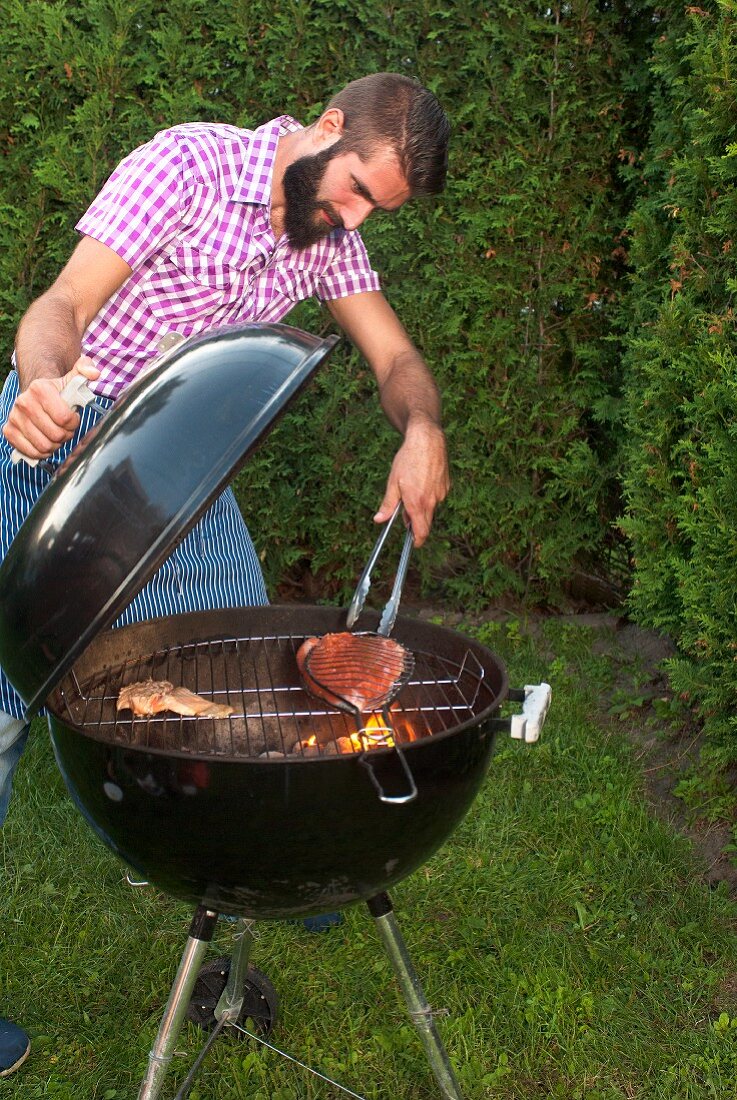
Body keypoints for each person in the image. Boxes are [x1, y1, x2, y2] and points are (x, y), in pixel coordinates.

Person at [0, 72, 451, 1070]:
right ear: (326, 128)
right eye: (352, 192)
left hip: (190, 474)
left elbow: (394, 356)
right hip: (67, 447)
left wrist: (420, 426)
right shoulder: (187, 166)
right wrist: (38, 386)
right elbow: (60, 303)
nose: (350, 219)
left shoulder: (329, 230)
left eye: (371, 209)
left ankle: (241, 871)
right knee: (1, 715)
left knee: (237, 674)